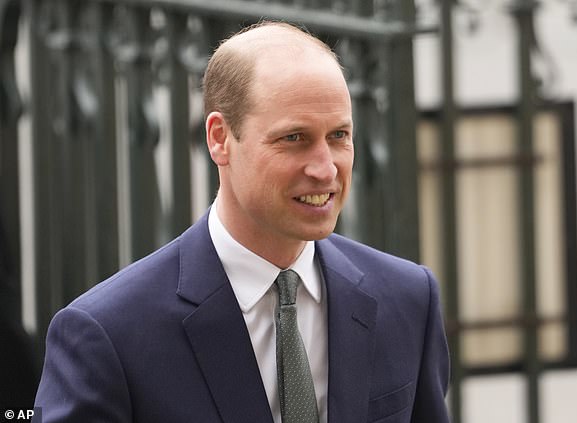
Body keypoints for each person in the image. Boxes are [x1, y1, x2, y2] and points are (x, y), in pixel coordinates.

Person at [35, 21, 450, 423]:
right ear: (219, 138)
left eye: (339, 136)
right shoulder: (109, 335)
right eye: (294, 138)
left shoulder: (409, 299)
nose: (326, 170)